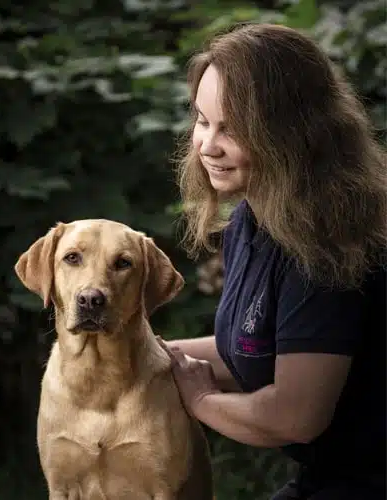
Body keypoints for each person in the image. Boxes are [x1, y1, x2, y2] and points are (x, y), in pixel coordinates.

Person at [159, 23, 387, 500]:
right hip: (327, 480)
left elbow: (294, 416)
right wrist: (142, 355)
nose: (207, 146)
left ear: (292, 134)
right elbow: (251, 348)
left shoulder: (326, 241)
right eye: (203, 120)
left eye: (233, 128)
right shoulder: (254, 216)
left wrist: (200, 399)